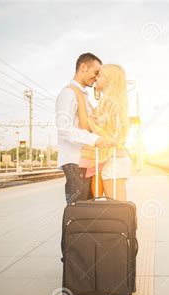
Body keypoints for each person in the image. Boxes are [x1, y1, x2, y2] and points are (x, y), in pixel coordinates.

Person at [56, 52, 110, 204]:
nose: (97, 77)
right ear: (83, 67)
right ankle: (73, 228)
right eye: (96, 72)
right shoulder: (68, 93)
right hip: (75, 161)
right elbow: (64, 129)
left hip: (83, 160)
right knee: (78, 209)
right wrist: (95, 139)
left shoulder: (82, 95)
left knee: (85, 210)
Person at [73, 64, 132, 201]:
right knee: (119, 205)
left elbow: (88, 126)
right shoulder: (116, 102)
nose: (96, 78)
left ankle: (125, 223)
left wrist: (80, 99)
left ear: (109, 80)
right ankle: (126, 222)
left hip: (114, 159)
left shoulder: (108, 102)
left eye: (99, 76)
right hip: (117, 158)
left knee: (117, 207)